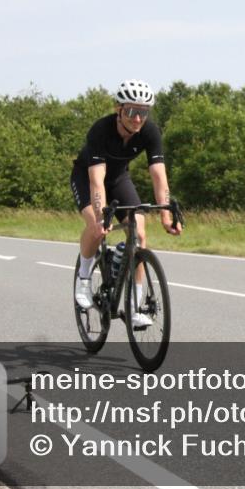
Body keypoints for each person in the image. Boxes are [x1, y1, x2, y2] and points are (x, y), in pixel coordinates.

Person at [69, 79, 182, 327]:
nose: (138, 118)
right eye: (131, 111)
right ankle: (84, 278)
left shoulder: (150, 132)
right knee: (96, 227)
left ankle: (133, 308)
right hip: (88, 178)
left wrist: (165, 216)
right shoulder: (100, 130)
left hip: (119, 179)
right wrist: (102, 217)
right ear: (118, 109)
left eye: (143, 112)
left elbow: (158, 175)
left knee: (139, 235)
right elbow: (96, 181)